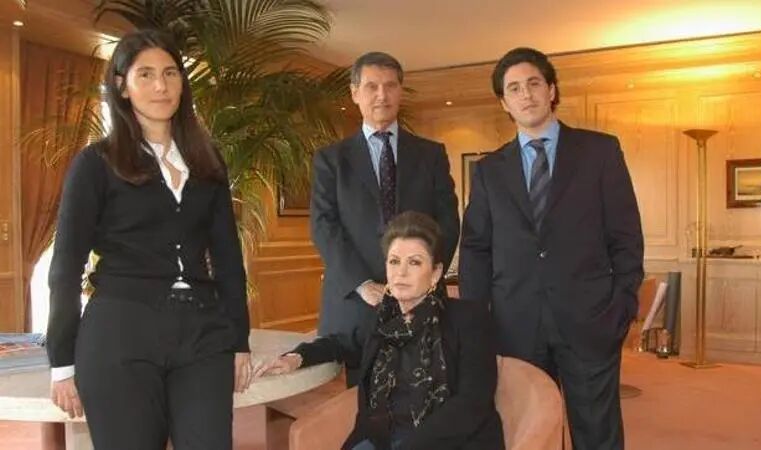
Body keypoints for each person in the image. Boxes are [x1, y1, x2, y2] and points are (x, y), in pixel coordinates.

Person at [46, 29, 252, 450]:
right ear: (122, 86)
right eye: (146, 74)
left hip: (202, 334)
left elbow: (228, 259)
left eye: (170, 73)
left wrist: (239, 341)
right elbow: (66, 266)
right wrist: (62, 362)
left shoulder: (207, 161)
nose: (161, 85)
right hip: (120, 333)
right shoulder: (95, 164)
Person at [459, 47, 644, 450]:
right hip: (515, 326)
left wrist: (622, 306)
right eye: (514, 89)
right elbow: (475, 250)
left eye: (533, 83)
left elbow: (626, 237)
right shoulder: (489, 171)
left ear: (552, 90)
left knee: (598, 434)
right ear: (504, 103)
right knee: (531, 433)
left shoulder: (600, 152)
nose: (525, 95)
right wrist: (477, 322)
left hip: (590, 321)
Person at [258, 211, 503, 450]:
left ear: (435, 273)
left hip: (449, 442)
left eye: (414, 262)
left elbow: (471, 405)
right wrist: (296, 357)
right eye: (394, 261)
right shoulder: (385, 320)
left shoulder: (469, 319)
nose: (401, 272)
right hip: (383, 439)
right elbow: (342, 343)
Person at [311, 52, 459, 385]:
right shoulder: (331, 160)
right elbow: (323, 226)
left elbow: (448, 221)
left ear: (400, 91)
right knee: (361, 400)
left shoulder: (431, 154)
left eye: (390, 86)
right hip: (357, 304)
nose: (382, 95)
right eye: (372, 86)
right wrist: (363, 284)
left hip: (421, 303)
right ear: (355, 93)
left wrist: (424, 279)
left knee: (427, 392)